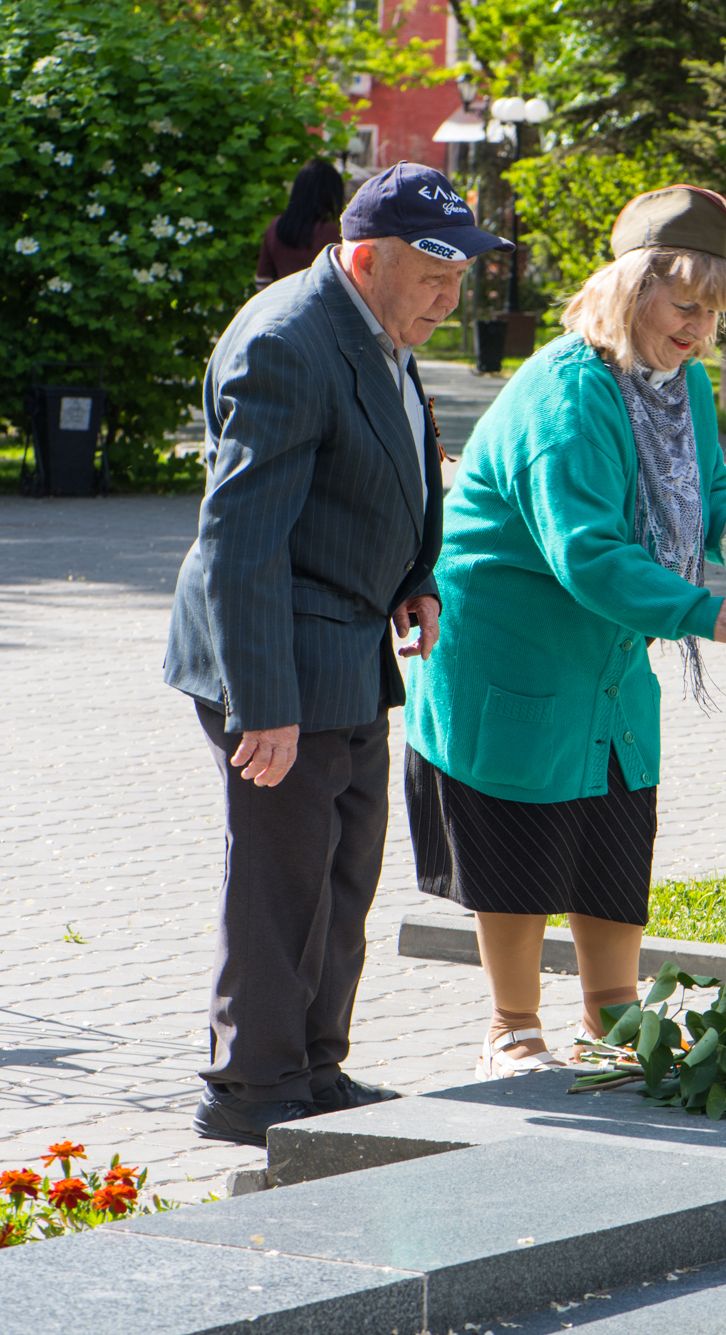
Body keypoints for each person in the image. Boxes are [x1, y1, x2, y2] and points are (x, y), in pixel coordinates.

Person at [402, 185, 726, 1079]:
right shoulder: (568, 391)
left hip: (607, 659)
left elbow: (713, 506)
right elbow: (590, 553)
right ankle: (512, 1023)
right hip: (511, 650)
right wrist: (711, 611)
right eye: (684, 306)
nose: (699, 331)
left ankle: (614, 1016)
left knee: (614, 823)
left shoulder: (682, 384)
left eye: (714, 312)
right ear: (628, 289)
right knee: (519, 834)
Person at [165, 162, 511, 1148]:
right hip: (278, 649)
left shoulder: (376, 321)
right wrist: (261, 701)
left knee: (342, 877)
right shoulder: (286, 343)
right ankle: (251, 1090)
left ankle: (315, 1069)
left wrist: (419, 574)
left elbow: (394, 459)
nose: (450, 304)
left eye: (458, 283)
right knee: (284, 884)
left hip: (349, 635)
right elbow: (242, 542)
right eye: (434, 283)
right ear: (366, 259)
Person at [255, 159, 347, 288]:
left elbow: (262, 279)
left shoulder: (275, 226)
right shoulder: (328, 231)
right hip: (317, 305)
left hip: (283, 302)